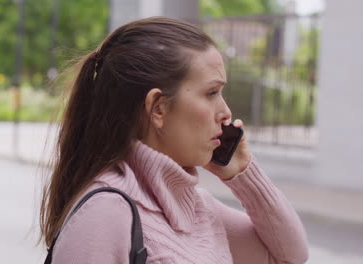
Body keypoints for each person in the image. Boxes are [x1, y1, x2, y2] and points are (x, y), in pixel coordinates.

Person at [40, 17, 309, 264]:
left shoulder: (197, 207)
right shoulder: (105, 214)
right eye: (211, 93)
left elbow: (290, 256)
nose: (226, 112)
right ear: (158, 108)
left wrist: (243, 173)